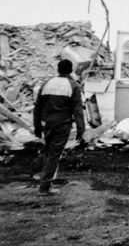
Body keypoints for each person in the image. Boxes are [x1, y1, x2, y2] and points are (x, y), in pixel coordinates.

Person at [33, 59, 86, 196]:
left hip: (46, 123)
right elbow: (78, 110)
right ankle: (44, 187)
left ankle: (45, 181)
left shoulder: (46, 84)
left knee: (48, 150)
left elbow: (37, 107)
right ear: (70, 70)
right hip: (62, 124)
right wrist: (81, 129)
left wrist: (37, 126)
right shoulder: (73, 86)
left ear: (58, 69)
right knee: (55, 154)